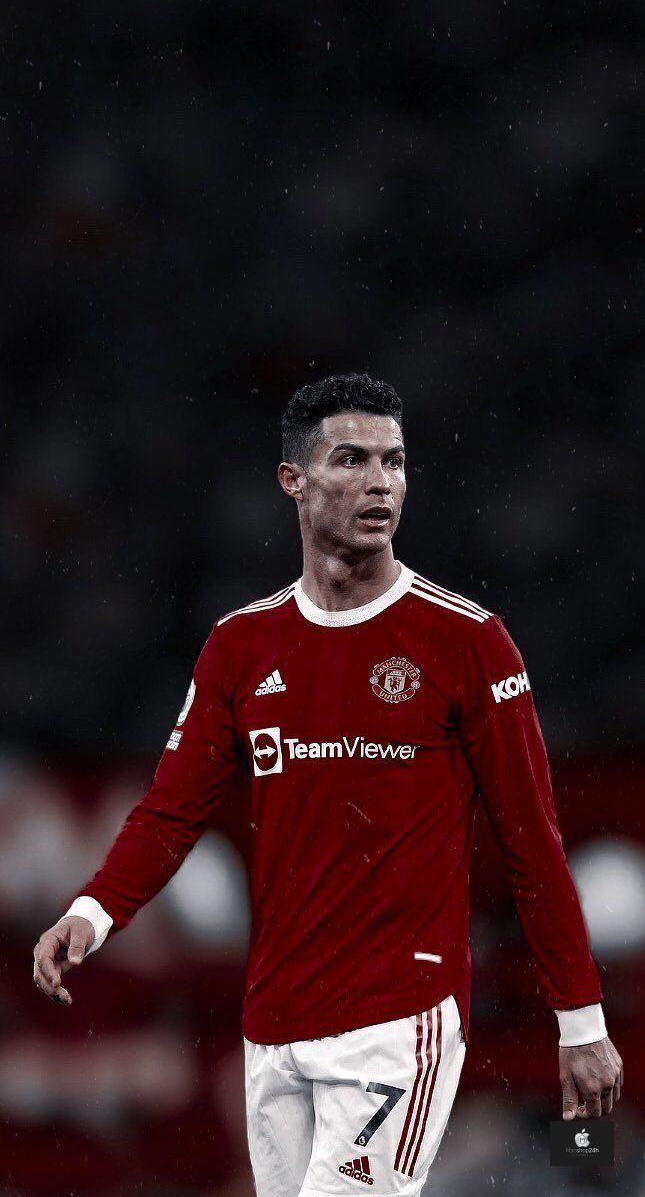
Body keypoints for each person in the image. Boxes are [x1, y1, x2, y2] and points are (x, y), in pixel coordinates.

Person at [34, 373, 622, 1197]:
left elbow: (532, 844)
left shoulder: (466, 641)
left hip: (399, 1017)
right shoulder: (241, 645)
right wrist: (94, 911)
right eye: (351, 459)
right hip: (274, 1022)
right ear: (293, 480)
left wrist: (580, 1022)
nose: (380, 482)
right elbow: (171, 811)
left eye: (394, 462)